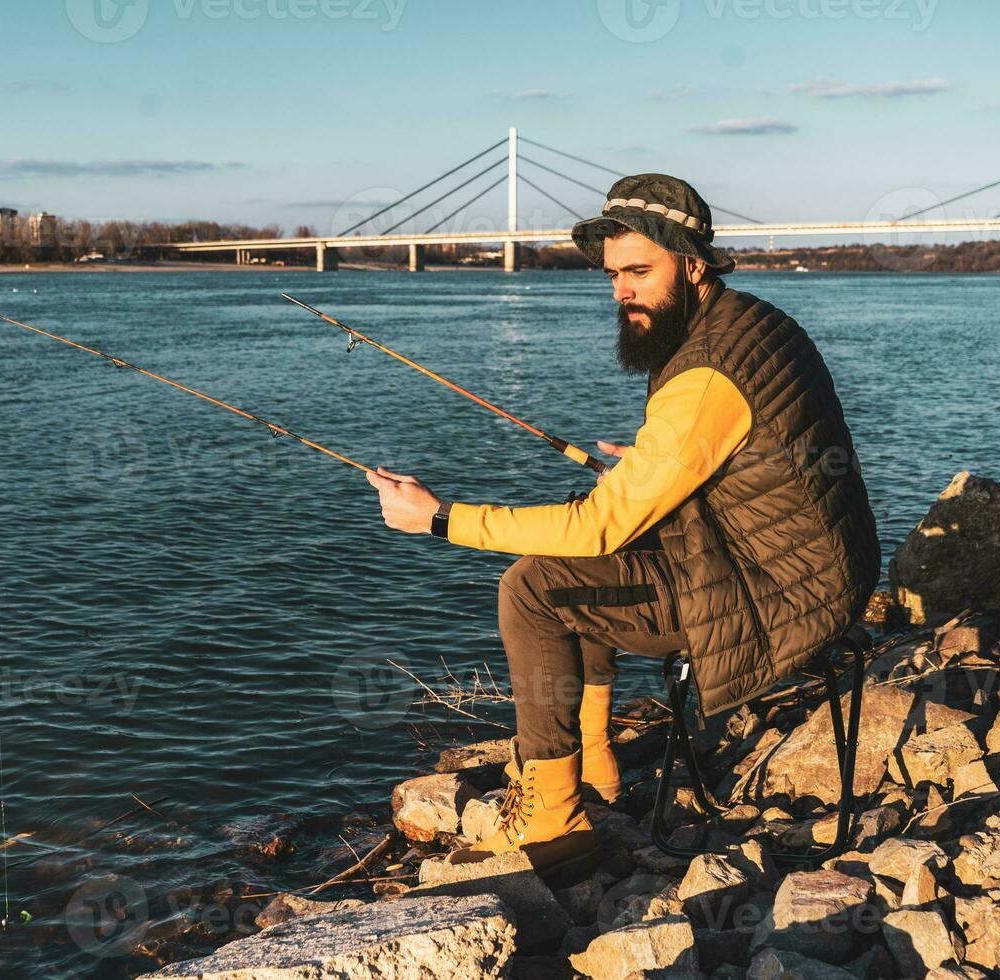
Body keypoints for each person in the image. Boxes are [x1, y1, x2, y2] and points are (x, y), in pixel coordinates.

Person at [366, 173, 880, 886]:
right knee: (586, 546)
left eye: (639, 271)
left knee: (534, 587)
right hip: (807, 560)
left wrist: (439, 518)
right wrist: (658, 469)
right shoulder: (747, 322)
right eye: (612, 275)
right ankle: (596, 763)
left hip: (780, 593)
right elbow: (752, 458)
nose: (620, 291)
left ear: (694, 264)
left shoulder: (706, 372)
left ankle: (555, 818)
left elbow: (599, 528)